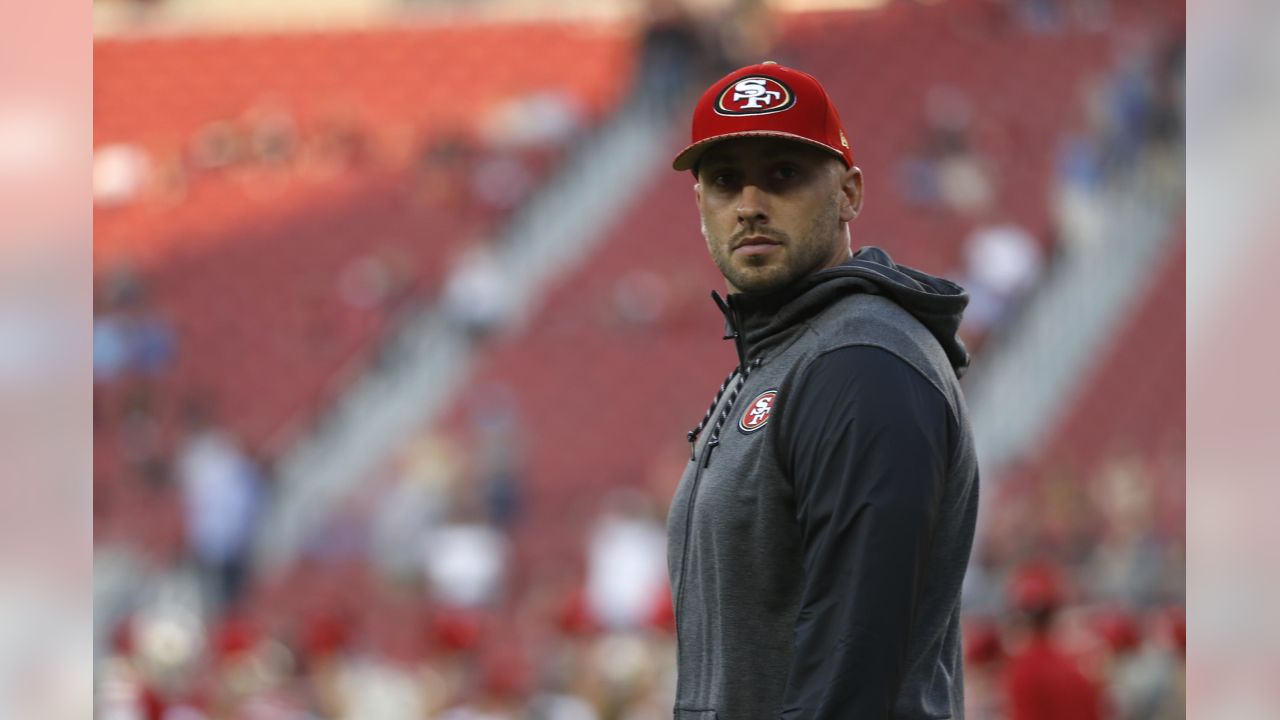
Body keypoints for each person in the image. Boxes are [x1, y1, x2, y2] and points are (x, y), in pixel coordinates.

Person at [665, 62, 980, 718]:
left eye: (783, 173)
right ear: (701, 207)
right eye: (725, 181)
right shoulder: (784, 352)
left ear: (849, 193)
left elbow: (851, 674)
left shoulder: (859, 363)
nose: (750, 203)